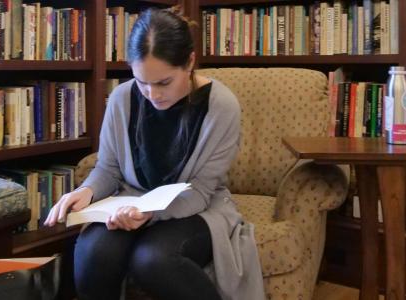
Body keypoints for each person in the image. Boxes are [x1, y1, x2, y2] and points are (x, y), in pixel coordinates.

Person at [44, 7, 264, 300]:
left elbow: (199, 191)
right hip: (130, 200)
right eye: (142, 82)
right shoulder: (122, 98)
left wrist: (148, 214)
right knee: (92, 254)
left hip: (198, 206)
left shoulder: (221, 106)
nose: (152, 94)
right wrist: (87, 191)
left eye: (164, 82)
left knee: (153, 260)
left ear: (189, 62)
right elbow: (108, 168)